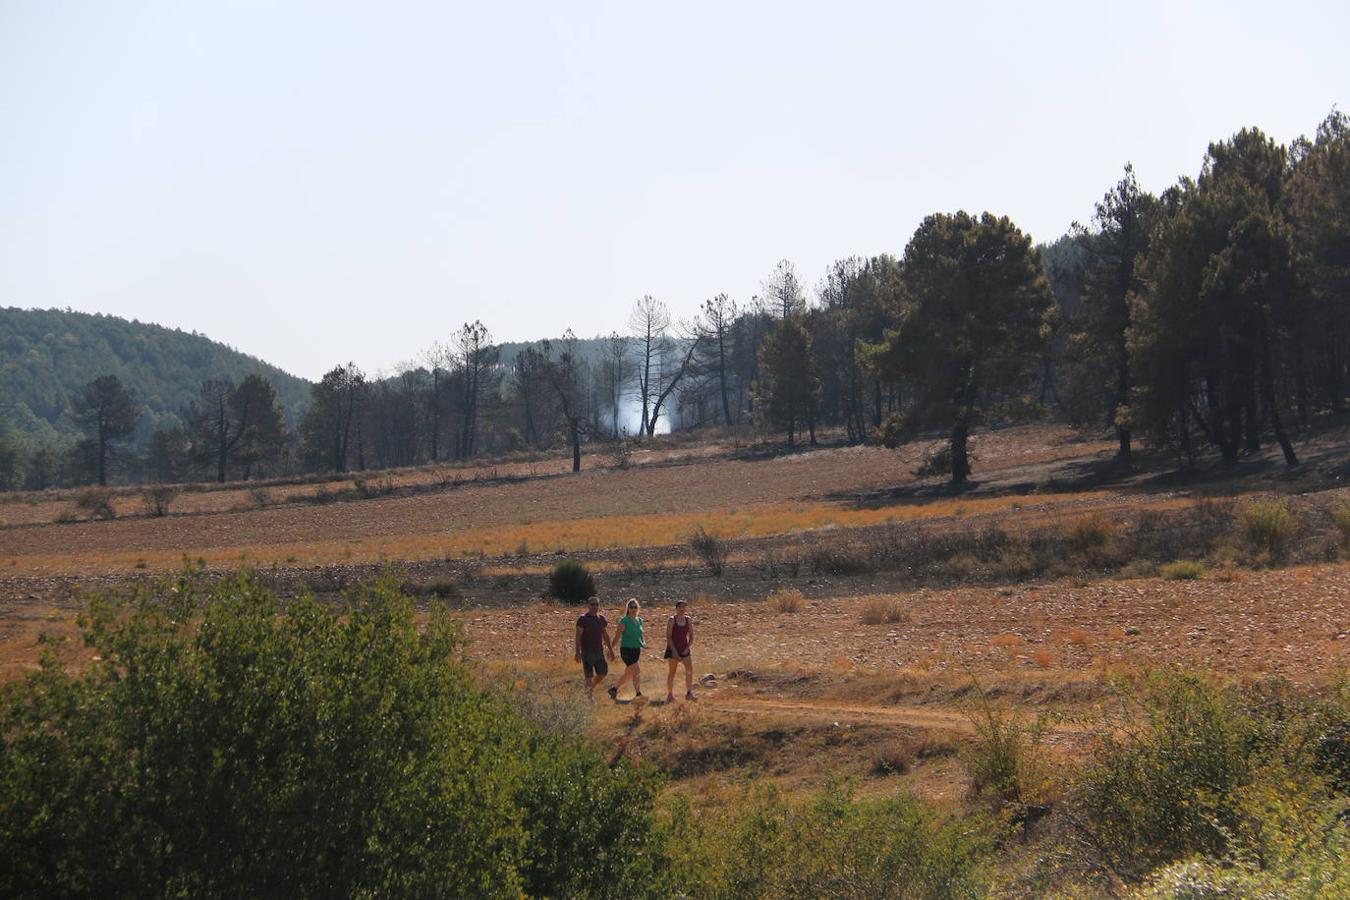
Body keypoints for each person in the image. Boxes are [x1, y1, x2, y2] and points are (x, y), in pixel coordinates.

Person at [574, 597, 614, 700]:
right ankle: (589, 698)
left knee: (603, 673)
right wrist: (577, 652)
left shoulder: (601, 619)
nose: (595, 606)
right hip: (587, 652)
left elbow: (605, 635)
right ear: (588, 605)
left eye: (596, 604)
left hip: (599, 652)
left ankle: (590, 688)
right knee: (588, 676)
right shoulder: (583, 619)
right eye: (592, 604)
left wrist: (610, 650)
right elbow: (578, 636)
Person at [608, 598, 646, 701]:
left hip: (636, 649)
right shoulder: (624, 621)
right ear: (627, 608)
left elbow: (640, 634)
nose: (633, 609)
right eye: (631, 607)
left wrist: (643, 643)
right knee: (636, 671)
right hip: (626, 650)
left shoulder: (639, 620)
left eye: (635, 607)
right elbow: (617, 636)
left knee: (628, 673)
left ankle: (614, 689)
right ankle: (638, 694)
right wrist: (611, 650)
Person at [663, 598, 696, 703]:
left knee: (689, 670)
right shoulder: (672, 619)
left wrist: (687, 648)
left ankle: (689, 693)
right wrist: (674, 651)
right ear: (676, 608)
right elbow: (668, 636)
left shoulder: (688, 619)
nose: (682, 609)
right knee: (672, 672)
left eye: (684, 607)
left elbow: (691, 636)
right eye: (680, 607)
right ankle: (669, 695)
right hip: (673, 649)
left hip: (684, 648)